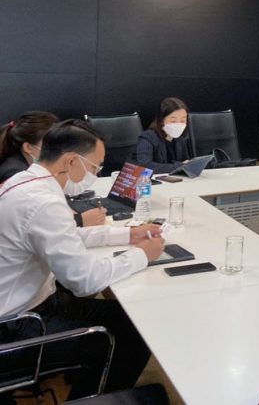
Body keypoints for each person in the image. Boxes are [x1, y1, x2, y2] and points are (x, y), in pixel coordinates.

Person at [0, 119, 165, 400]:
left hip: (29, 304)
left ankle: (88, 381)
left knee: (128, 319)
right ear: (71, 161)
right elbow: (85, 281)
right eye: (95, 167)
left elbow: (68, 235)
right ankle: (94, 398)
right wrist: (142, 255)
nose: (95, 175)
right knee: (130, 335)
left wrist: (128, 235)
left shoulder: (25, 182)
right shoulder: (43, 202)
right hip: (15, 326)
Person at [0, 111, 105, 227]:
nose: (57, 148)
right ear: (28, 147)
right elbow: (41, 221)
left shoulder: (35, 171)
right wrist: (80, 220)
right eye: (48, 144)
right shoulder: (15, 174)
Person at [131, 97, 191, 173]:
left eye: (182, 121)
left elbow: (186, 162)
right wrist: (179, 166)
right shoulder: (147, 137)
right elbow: (144, 166)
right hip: (145, 179)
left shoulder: (180, 139)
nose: (178, 125)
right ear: (161, 120)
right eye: (173, 121)